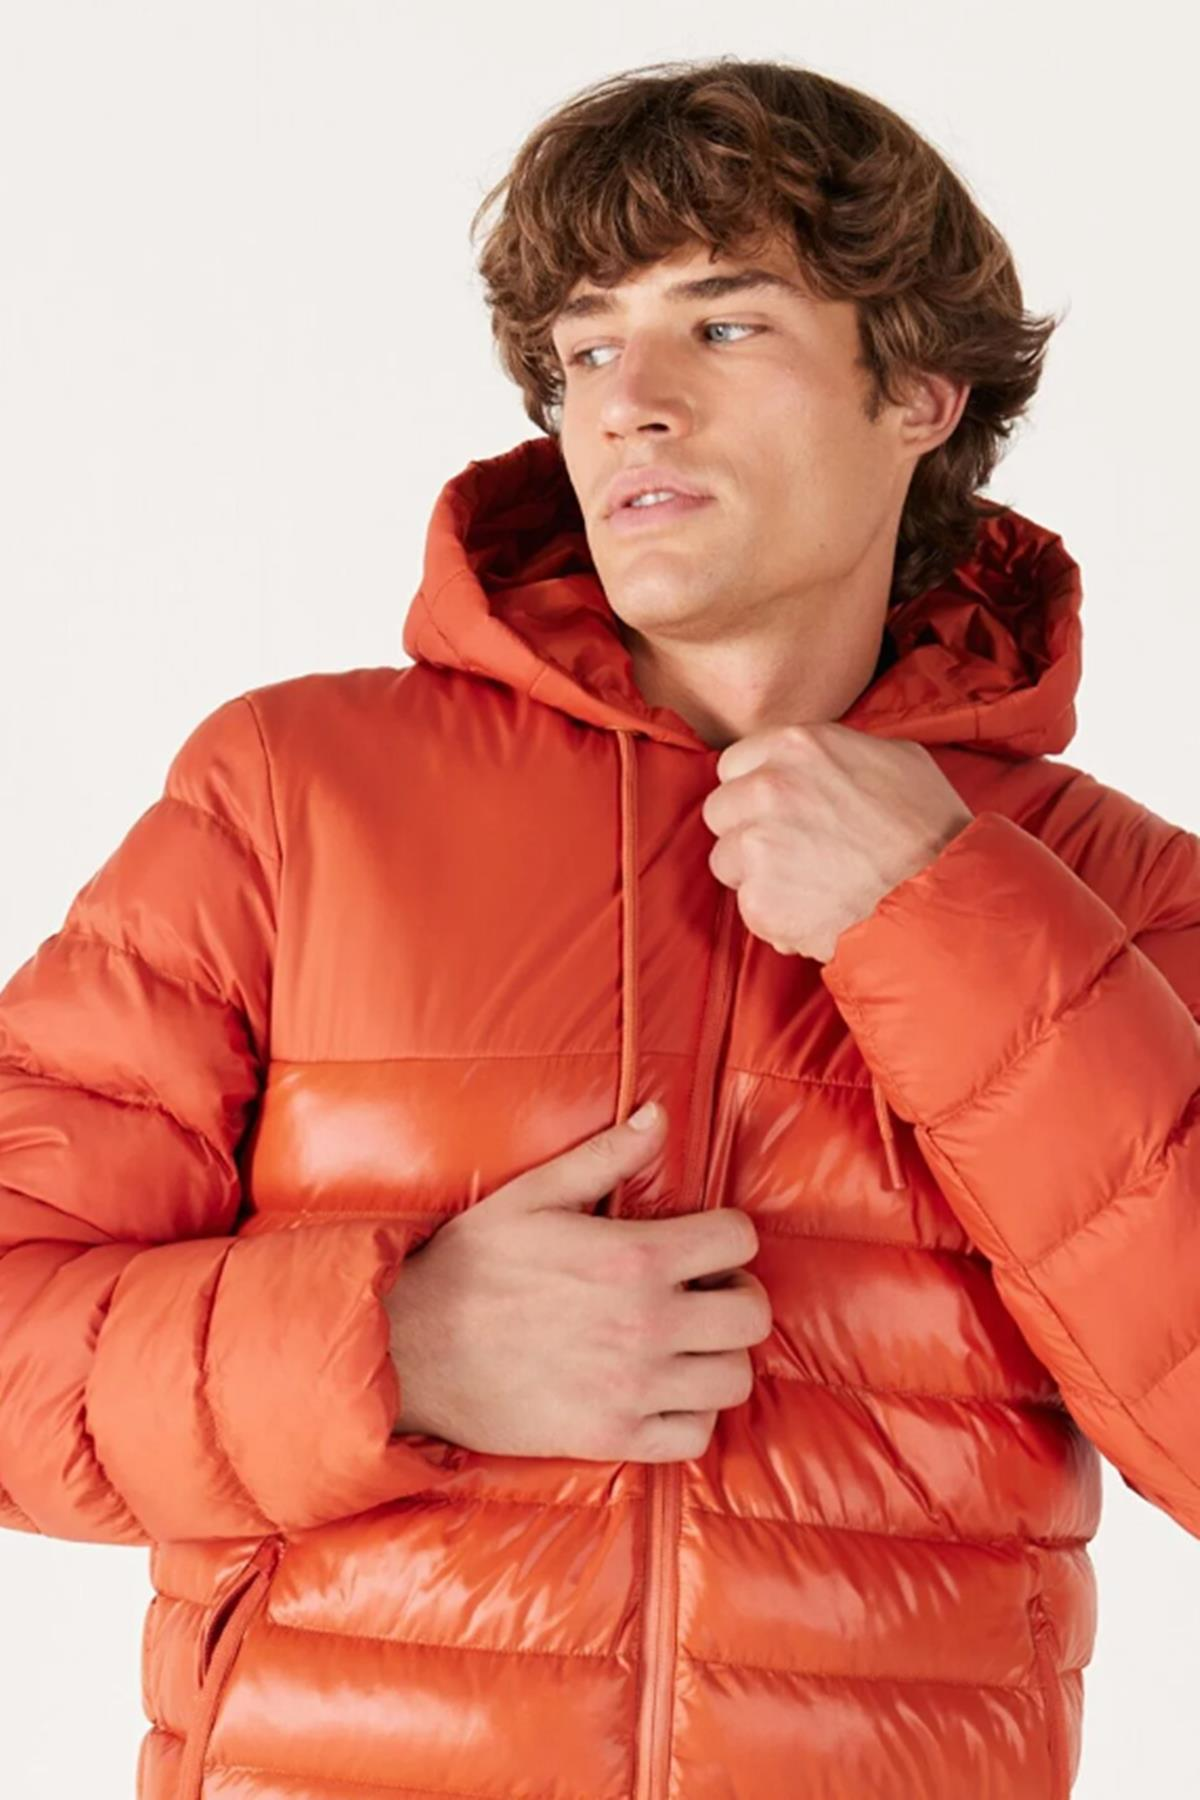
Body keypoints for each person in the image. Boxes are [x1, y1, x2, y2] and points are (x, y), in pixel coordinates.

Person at [1, 53, 1196, 1800]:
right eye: (584, 350)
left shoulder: (1107, 896)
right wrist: (397, 1347)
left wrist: (951, 922)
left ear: (922, 393)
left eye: (723, 324)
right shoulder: (296, 796)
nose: (629, 402)